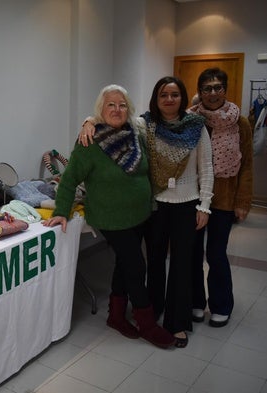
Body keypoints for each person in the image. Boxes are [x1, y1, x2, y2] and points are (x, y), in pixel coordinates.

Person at [78, 77, 214, 348]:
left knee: (181, 265)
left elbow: (207, 168)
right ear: (157, 98)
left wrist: (205, 206)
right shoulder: (145, 124)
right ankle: (155, 312)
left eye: (175, 94)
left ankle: (177, 323)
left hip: (188, 205)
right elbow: (114, 115)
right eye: (164, 94)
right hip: (155, 206)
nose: (169, 100)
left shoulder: (197, 127)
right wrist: (88, 121)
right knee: (154, 262)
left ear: (182, 98)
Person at [44, 84, 175, 349]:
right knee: (137, 265)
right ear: (100, 111)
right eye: (110, 105)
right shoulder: (89, 141)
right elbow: (68, 181)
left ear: (129, 109)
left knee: (125, 264)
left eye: (122, 104)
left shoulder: (136, 133)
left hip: (139, 214)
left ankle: (116, 316)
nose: (117, 109)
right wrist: (61, 213)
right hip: (110, 217)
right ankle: (146, 323)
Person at [188, 67, 253, 328]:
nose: (213, 93)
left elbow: (247, 164)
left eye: (218, 87)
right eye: (207, 88)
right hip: (193, 196)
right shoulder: (191, 119)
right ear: (200, 91)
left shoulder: (240, 122)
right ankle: (194, 301)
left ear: (225, 89)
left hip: (224, 198)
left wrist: (242, 201)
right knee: (192, 253)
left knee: (216, 254)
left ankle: (221, 305)